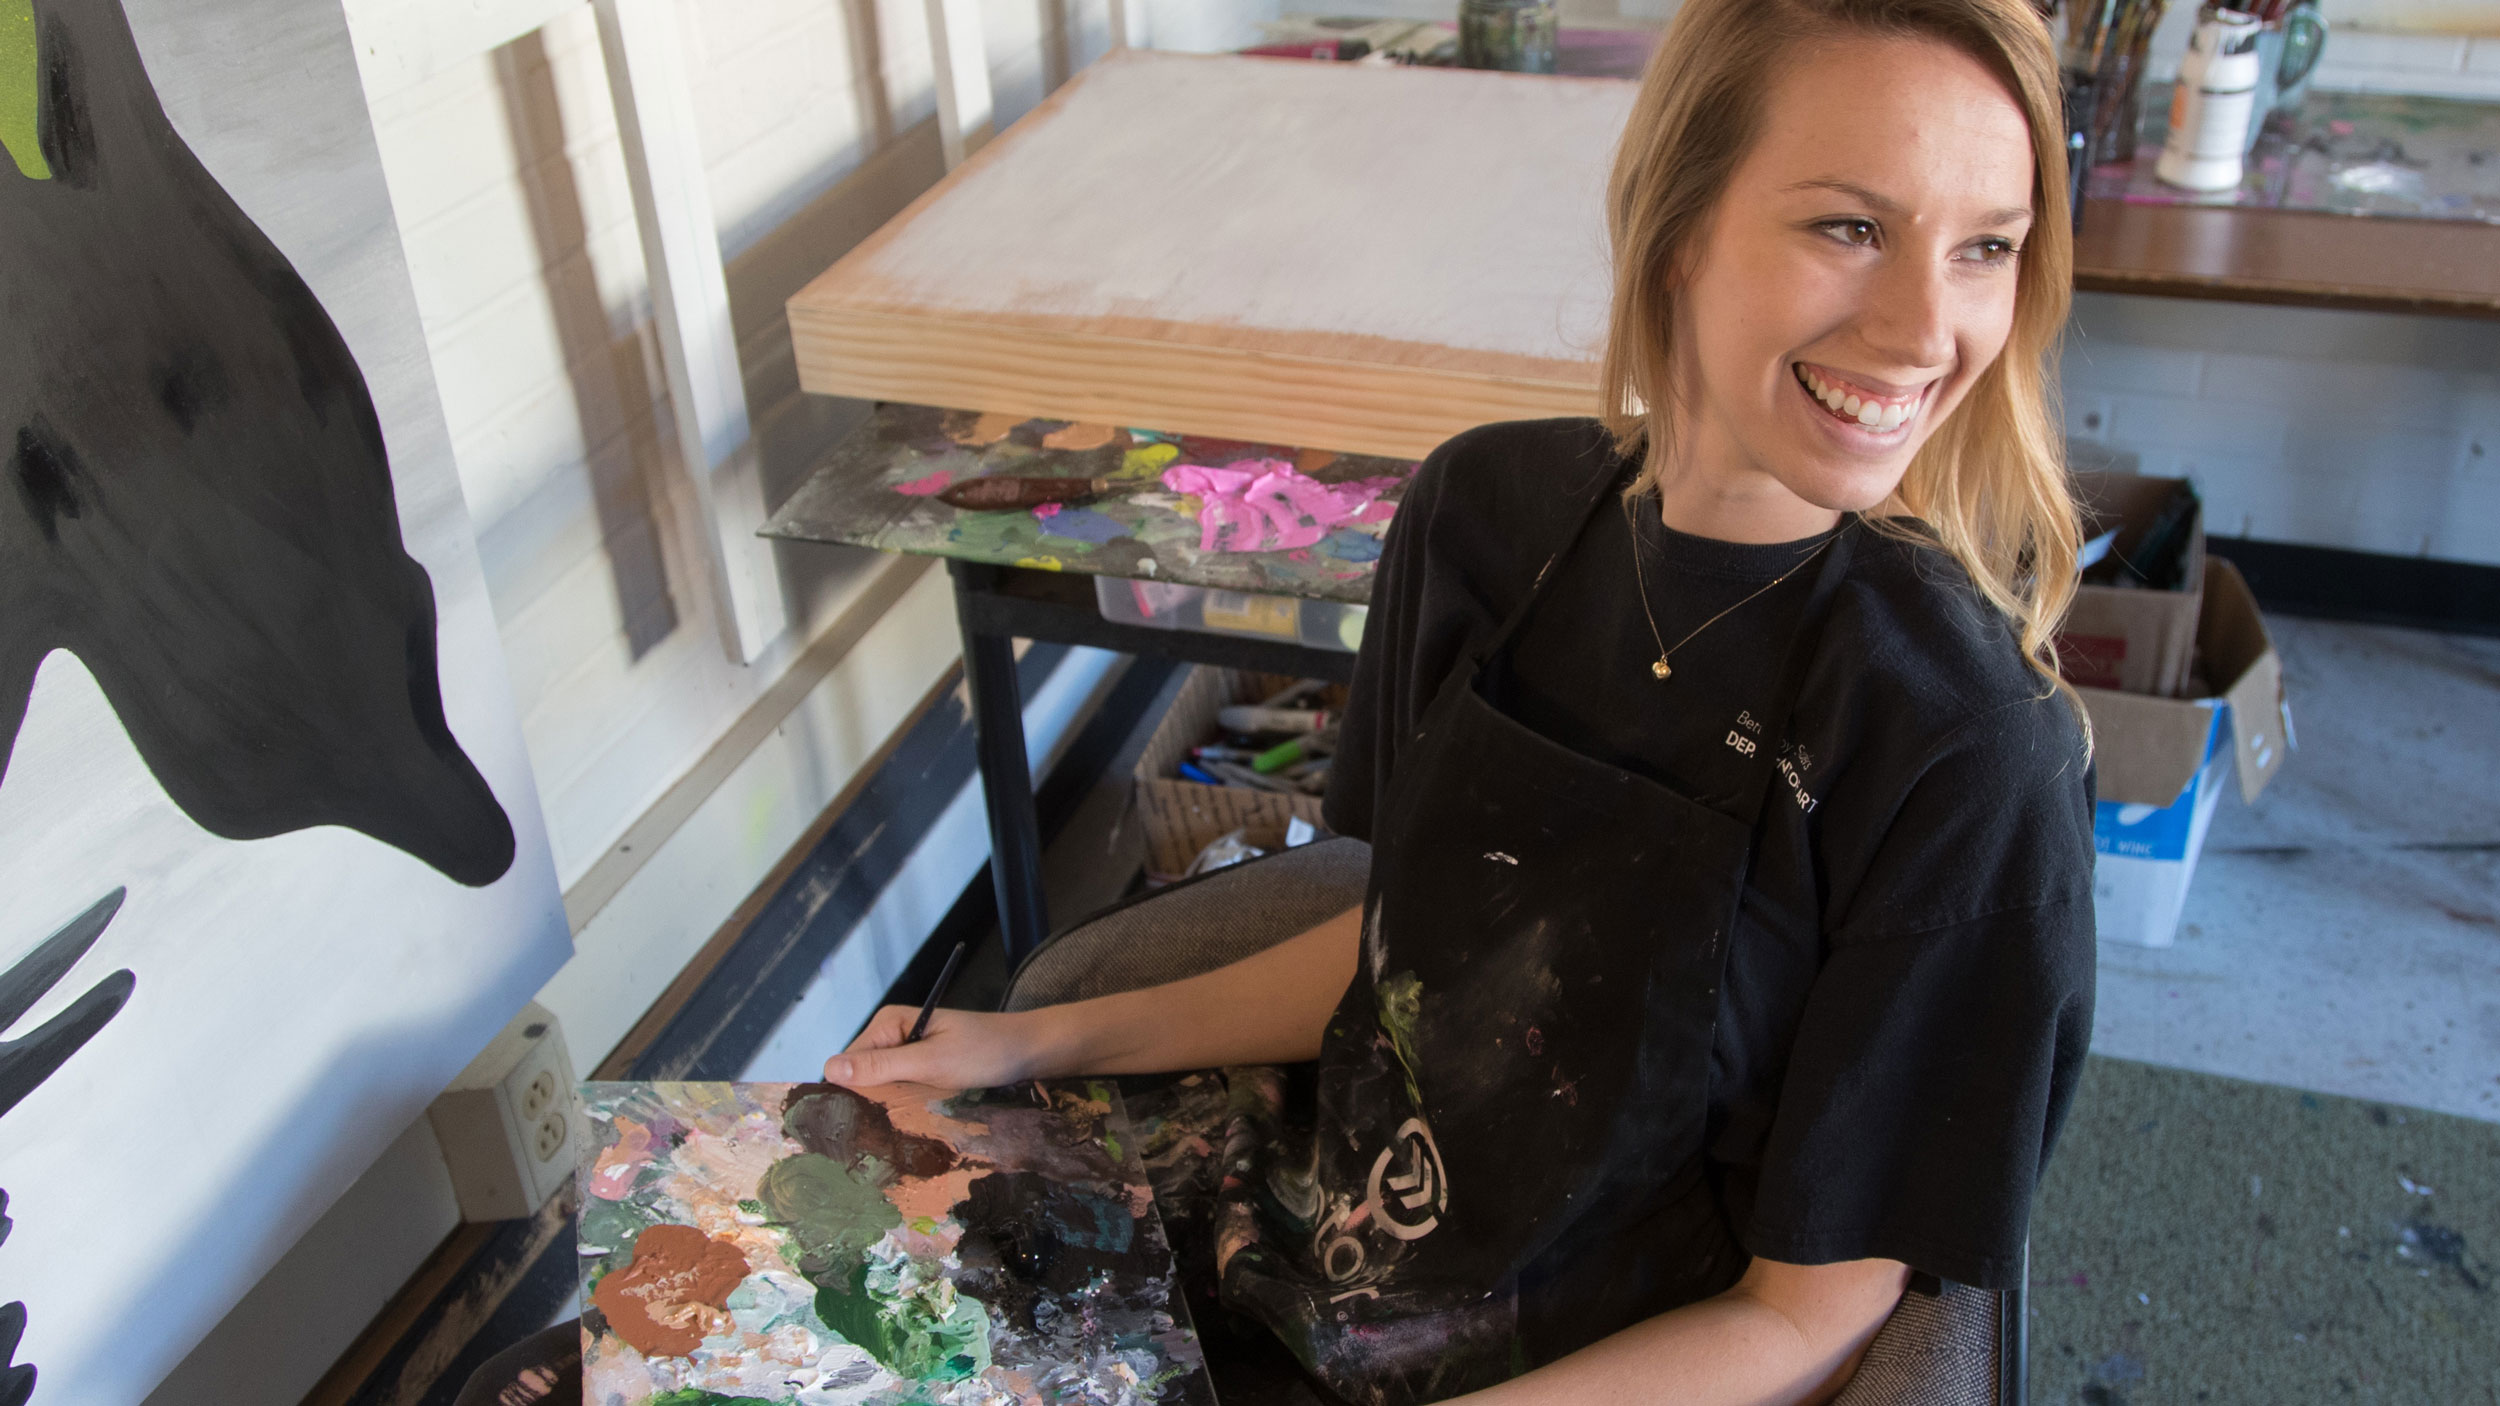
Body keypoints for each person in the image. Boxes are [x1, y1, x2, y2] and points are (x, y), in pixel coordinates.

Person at [827, 1, 2097, 1401]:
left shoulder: (1965, 747)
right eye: (1850, 227)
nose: (1927, 329)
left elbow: (1807, 1322)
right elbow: (1417, 958)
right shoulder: (1487, 513)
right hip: (1315, 1242)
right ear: (1678, 222)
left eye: (1988, 246)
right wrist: (1023, 1042)